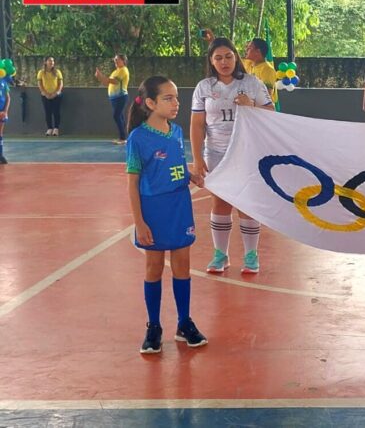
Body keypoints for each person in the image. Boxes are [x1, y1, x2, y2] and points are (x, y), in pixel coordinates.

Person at [126, 76, 207, 354]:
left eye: (177, 98)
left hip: (179, 206)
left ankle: (184, 323)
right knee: (154, 267)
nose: (176, 103)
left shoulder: (176, 131)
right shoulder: (138, 138)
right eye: (168, 98)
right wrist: (139, 222)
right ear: (150, 103)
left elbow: (176, 166)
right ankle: (154, 326)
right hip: (153, 210)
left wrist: (190, 176)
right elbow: (133, 183)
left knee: (183, 265)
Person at [190, 37, 274, 274]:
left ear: (236, 57)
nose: (224, 61)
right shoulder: (204, 87)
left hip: (247, 152)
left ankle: (250, 255)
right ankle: (221, 255)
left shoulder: (252, 83)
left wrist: (251, 106)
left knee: (247, 203)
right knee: (220, 202)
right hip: (216, 153)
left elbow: (271, 113)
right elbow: (197, 125)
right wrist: (197, 158)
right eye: (218, 57)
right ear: (211, 61)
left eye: (228, 56)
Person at [95, 54, 130, 144]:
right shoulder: (115, 72)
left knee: (116, 116)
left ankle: (123, 138)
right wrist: (99, 77)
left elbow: (114, 81)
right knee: (120, 116)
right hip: (114, 98)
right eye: (115, 59)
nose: (115, 61)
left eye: (117, 59)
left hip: (121, 97)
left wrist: (101, 75)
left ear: (123, 61)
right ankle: (124, 137)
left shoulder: (123, 70)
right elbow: (107, 83)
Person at [243, 38, 278, 104]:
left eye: (249, 48)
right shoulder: (248, 64)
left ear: (258, 52)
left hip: (263, 109)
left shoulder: (268, 70)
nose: (246, 50)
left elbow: (267, 94)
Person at [37, 57, 64, 136]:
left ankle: (56, 128)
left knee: (56, 112)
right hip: (45, 95)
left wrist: (56, 93)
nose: (51, 62)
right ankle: (49, 128)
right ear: (45, 62)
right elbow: (40, 84)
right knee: (47, 112)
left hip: (56, 95)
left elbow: (60, 83)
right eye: (49, 61)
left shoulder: (58, 72)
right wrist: (45, 93)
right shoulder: (41, 72)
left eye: (53, 61)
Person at [0, 74, 9, 164]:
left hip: (2, 112)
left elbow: (8, 98)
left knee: (0, 133)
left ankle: (1, 154)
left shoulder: (3, 81)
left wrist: (5, 111)